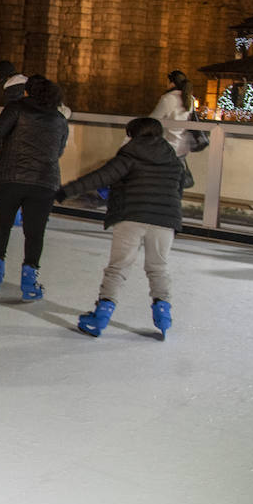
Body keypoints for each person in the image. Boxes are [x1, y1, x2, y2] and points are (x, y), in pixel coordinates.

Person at [55, 117, 189, 340]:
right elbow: (178, 193)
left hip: (131, 217)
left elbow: (100, 177)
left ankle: (100, 317)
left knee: (118, 267)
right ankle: (164, 316)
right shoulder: (174, 161)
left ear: (132, 134)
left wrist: (66, 191)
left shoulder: (129, 156)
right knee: (158, 268)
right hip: (165, 220)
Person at [0, 75, 69, 299]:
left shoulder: (16, 109)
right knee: (35, 233)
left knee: (2, 224)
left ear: (28, 91)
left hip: (9, 178)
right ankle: (29, 282)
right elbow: (58, 151)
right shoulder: (60, 120)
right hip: (44, 182)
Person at [152, 69, 196, 158]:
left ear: (172, 83)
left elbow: (153, 119)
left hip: (168, 146)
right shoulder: (190, 99)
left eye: (167, 82)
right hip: (182, 147)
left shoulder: (168, 98)